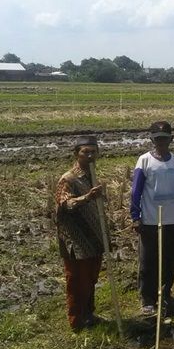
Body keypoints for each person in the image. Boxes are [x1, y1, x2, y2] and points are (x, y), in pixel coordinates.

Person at [130, 121, 174, 315]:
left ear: (171, 139)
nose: (161, 142)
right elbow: (136, 190)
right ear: (152, 140)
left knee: (170, 259)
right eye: (157, 139)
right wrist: (135, 216)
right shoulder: (144, 161)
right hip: (152, 219)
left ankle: (166, 293)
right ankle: (148, 299)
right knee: (148, 261)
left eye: (165, 139)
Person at [55, 135, 106, 332]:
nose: (90, 155)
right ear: (77, 154)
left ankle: (89, 314)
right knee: (76, 281)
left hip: (94, 238)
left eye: (94, 152)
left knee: (91, 278)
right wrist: (87, 197)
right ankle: (76, 322)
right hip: (76, 240)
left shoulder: (93, 177)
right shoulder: (68, 179)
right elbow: (65, 204)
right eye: (86, 152)